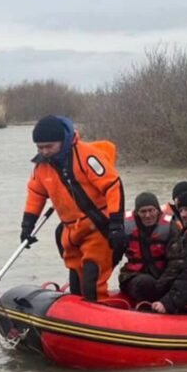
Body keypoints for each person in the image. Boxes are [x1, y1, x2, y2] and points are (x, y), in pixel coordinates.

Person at [20, 116, 125, 302]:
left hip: (99, 229)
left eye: (49, 146)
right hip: (71, 232)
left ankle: (97, 319)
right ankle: (75, 321)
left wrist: (116, 224)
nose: (44, 152)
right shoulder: (41, 167)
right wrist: (27, 227)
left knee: (92, 278)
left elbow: (112, 186)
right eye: (40, 147)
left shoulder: (87, 156)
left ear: (62, 141)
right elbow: (36, 194)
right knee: (76, 282)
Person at [119, 192, 177, 302]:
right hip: (133, 276)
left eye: (151, 210)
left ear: (158, 211)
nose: (148, 215)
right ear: (137, 213)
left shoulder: (171, 227)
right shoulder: (125, 227)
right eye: (143, 211)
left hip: (164, 276)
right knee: (145, 283)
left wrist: (162, 284)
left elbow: (177, 261)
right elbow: (111, 256)